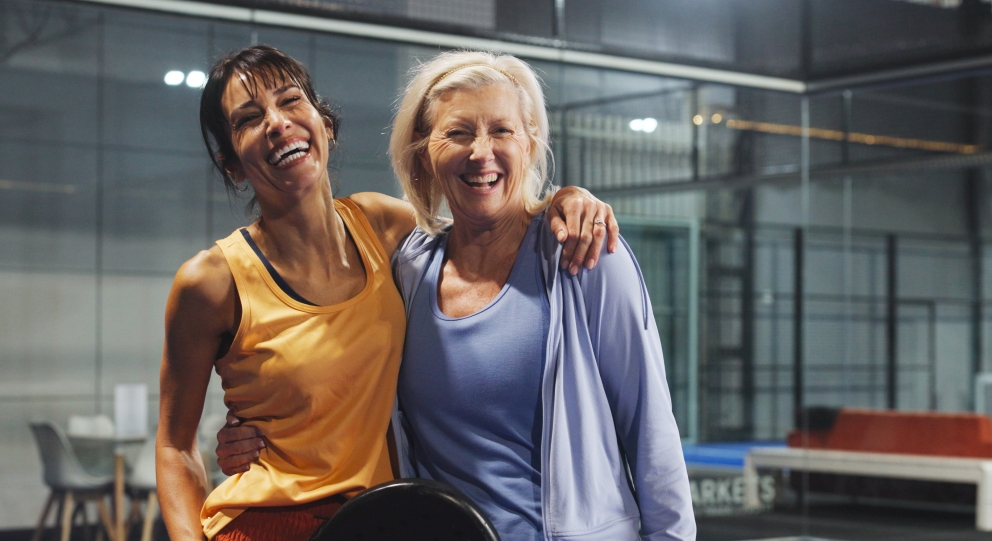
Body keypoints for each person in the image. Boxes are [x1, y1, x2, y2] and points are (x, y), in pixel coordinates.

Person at [219, 50, 695, 541]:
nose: (481, 152)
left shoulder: (584, 255)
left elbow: (651, 432)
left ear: (530, 142)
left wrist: (571, 195)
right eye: (459, 133)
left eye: (501, 130)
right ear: (424, 154)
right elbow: (339, 381)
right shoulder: (407, 268)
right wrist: (263, 434)